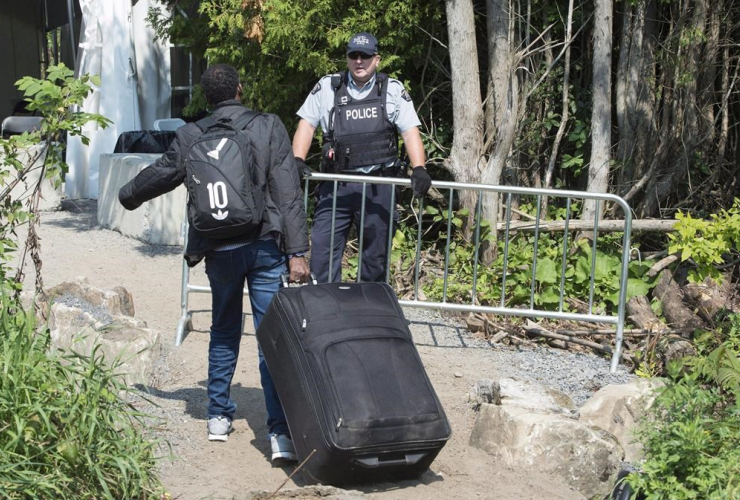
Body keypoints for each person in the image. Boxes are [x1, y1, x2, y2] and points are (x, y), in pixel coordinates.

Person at [119, 64, 309, 462]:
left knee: (223, 331)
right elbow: (288, 192)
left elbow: (163, 172)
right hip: (263, 245)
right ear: (240, 88)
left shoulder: (191, 135)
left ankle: (218, 417)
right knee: (270, 337)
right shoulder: (267, 125)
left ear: (207, 97)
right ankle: (280, 435)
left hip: (218, 249)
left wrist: (128, 194)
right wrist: (298, 253)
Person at [292, 32, 432, 283]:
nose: (359, 61)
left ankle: (368, 313)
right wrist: (298, 159)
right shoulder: (328, 87)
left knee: (375, 259)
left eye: (365, 56)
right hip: (336, 185)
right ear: (347, 58)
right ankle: (327, 313)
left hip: (379, 186)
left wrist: (419, 167)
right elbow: (307, 124)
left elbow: (410, 132)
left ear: (376, 59)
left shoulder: (391, 89)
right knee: (322, 255)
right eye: (353, 55)